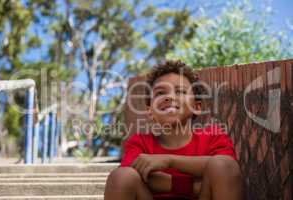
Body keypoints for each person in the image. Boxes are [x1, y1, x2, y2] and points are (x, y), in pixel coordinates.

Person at [104, 60, 243, 200]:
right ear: (150, 111)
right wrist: (193, 187)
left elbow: (226, 170)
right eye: (160, 93)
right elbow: (130, 176)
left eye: (180, 91)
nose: (169, 97)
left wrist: (169, 161)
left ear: (197, 106)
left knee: (223, 164)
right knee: (121, 176)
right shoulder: (140, 142)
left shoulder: (213, 136)